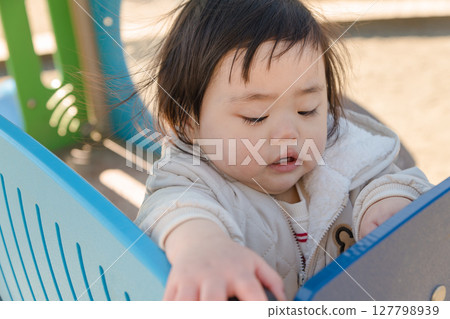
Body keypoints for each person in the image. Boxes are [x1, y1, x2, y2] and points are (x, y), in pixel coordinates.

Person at [134, 0, 433, 301]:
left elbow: (385, 178)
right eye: (256, 115)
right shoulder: (190, 180)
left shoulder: (344, 149)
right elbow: (172, 209)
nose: (289, 133)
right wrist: (204, 246)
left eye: (307, 110)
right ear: (188, 122)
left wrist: (389, 199)